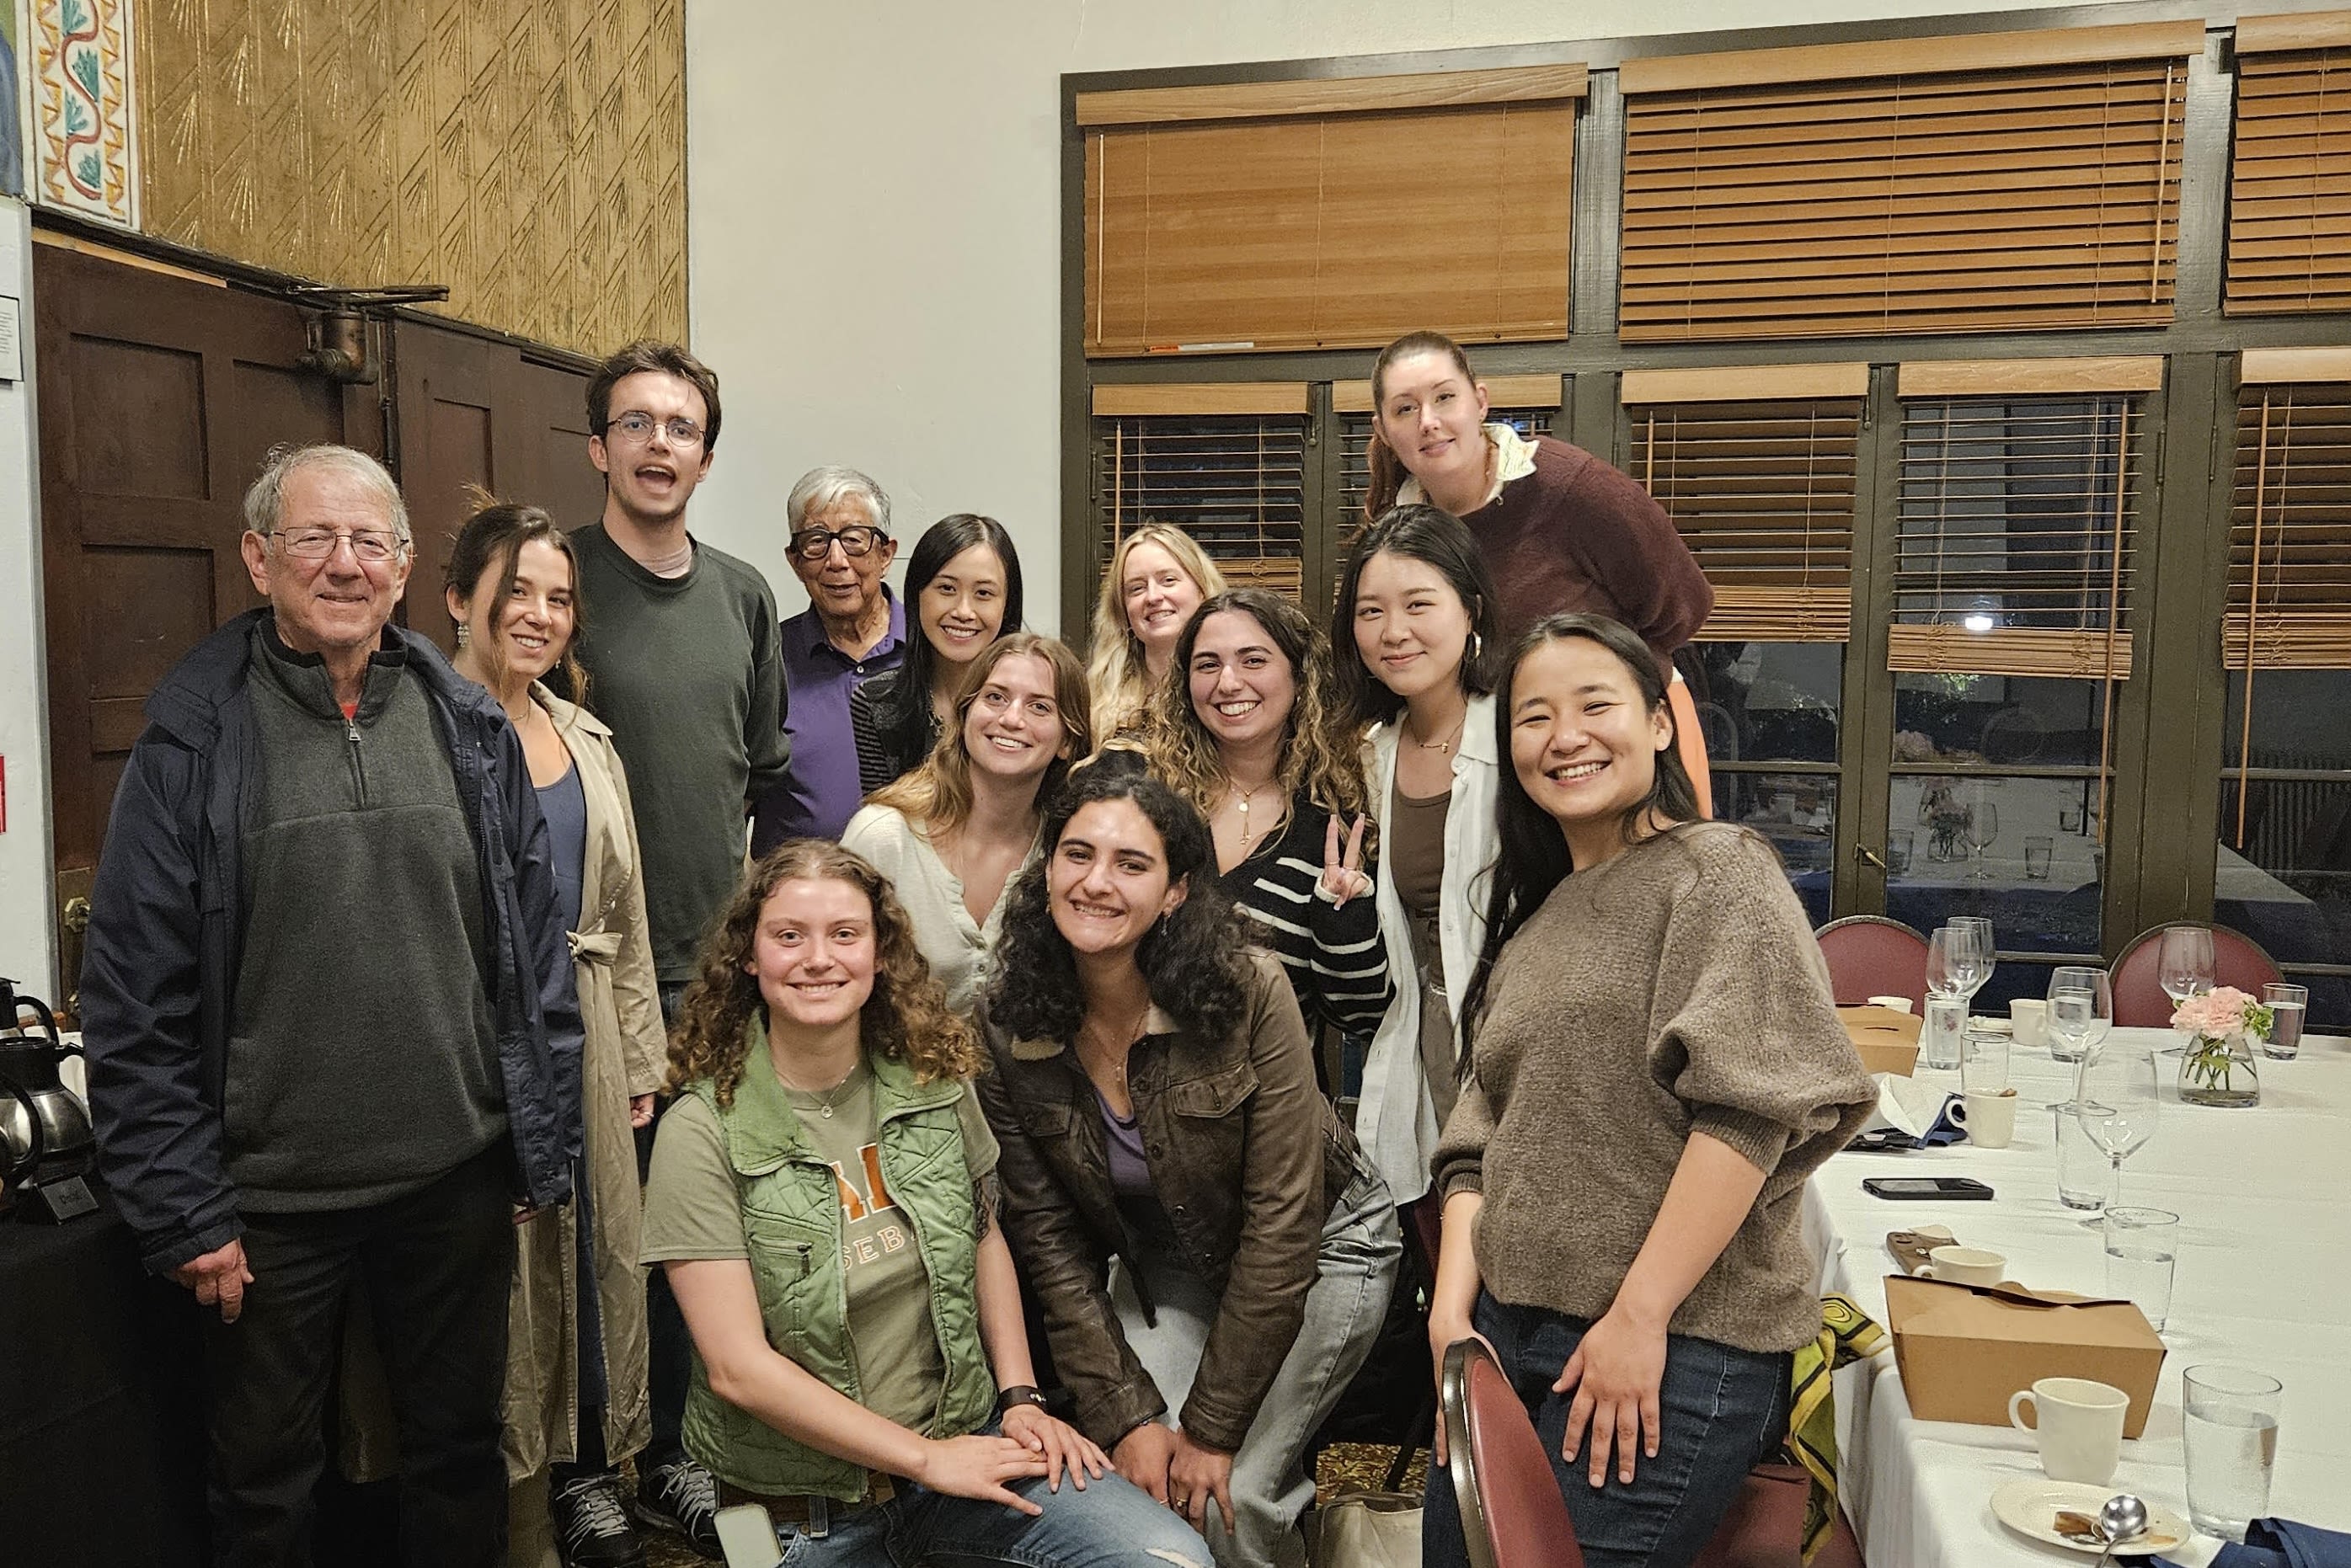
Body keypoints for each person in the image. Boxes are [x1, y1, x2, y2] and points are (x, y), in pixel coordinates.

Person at [78, 444, 582, 1568]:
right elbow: (132, 994)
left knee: (458, 1455)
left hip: (455, 1178)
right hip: (265, 1208)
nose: (343, 563)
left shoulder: (468, 725)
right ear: (259, 559)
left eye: (369, 541)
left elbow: (531, 953)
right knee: (265, 1487)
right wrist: (183, 1204)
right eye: (313, 537)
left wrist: (530, 1143)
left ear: (402, 568)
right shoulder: (192, 741)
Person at [1422, 613, 1876, 1568]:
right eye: (1534, 717)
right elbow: (1476, 1139)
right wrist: (1450, 1317)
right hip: (1503, 1333)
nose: (1566, 736)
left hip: (1671, 1341)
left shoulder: (1718, 874)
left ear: (1660, 723)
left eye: (1596, 705)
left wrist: (1637, 1315)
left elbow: (1747, 1110)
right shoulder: (1538, 915)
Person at [639, 841, 1212, 1568]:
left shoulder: (929, 1079)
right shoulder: (699, 1128)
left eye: (845, 934)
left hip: (965, 1453)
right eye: (789, 936)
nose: (818, 958)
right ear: (749, 957)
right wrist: (923, 1460)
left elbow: (983, 1237)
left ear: (880, 954)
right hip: (784, 1512)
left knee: (1171, 1559)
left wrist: (1020, 1398)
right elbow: (737, 1370)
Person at [977, 770, 1401, 1568]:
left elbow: (1283, 1221)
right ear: (1047, 869)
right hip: (1168, 1254)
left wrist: (1210, 1429)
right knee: (1144, 1484)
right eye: (1077, 854)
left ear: (1175, 892)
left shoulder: (1248, 987)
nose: (1096, 882)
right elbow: (1047, 1241)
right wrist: (1129, 1415)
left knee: (1227, 1493)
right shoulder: (1006, 1024)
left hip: (1325, 1245)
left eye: (1131, 864)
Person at [568, 338, 784, 1553]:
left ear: (706, 456)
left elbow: (755, 778)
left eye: (682, 427)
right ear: (598, 446)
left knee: (694, 1221)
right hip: (589, 973)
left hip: (709, 975)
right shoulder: (560, 583)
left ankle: (671, 1452)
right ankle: (580, 1461)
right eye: (636, 423)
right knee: (588, 1226)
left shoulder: (744, 595)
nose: (660, 444)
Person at [443, 502, 666, 1568]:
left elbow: (624, 913)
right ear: (458, 598)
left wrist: (641, 1054)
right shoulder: (428, 733)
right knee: (505, 1285)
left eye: (559, 597)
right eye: (516, 591)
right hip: (477, 1049)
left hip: (590, 1043)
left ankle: (581, 1485)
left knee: (593, 1262)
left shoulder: (584, 737)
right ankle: (508, 1517)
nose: (539, 614)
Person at [1364, 330, 1716, 806]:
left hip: (1617, 751)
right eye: (1405, 409)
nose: (1429, 422)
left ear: (1479, 402)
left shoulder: (1576, 490)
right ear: (1384, 430)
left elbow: (1683, 607)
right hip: (1508, 763)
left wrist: (1604, 683)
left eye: (1445, 397)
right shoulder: (1400, 524)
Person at [1131, 587, 1390, 1052]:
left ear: (1300, 675)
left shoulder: (1338, 818)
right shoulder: (1146, 800)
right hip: (1132, 1086)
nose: (1228, 682)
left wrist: (1341, 917)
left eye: (1253, 660)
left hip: (1274, 1092)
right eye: (1207, 665)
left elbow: (1361, 1016)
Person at [1333, 504, 1504, 1208]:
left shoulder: (1518, 731)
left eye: (1417, 605)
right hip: (1426, 1040)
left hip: (1518, 1046)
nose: (1393, 631)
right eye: (1370, 611)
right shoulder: (1368, 756)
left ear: (1470, 610)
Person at [842, 633, 1090, 1016]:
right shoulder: (883, 837)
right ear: (964, 716)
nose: (1011, 719)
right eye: (995, 697)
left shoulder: (1066, 853)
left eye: (1040, 707)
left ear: (1067, 742)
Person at [752, 466, 904, 850]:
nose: (836, 561)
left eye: (854, 539)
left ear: (885, 554)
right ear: (795, 561)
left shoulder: (931, 650)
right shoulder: (766, 658)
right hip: (795, 882)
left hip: (910, 883)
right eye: (816, 542)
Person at [851, 513, 1023, 796]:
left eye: (983, 593)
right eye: (947, 589)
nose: (963, 612)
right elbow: (882, 814)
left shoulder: (1035, 702)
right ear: (917, 595)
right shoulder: (877, 701)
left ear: (1007, 605)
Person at [1086, 524, 1227, 743]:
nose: (1153, 597)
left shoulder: (1231, 685)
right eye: (1137, 588)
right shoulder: (1093, 701)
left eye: (1168, 580)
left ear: (1202, 589)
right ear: (1123, 610)